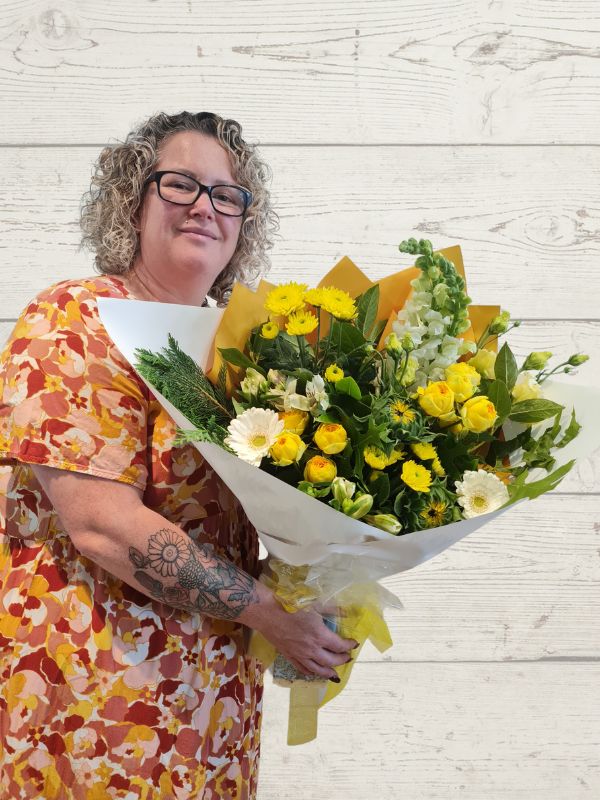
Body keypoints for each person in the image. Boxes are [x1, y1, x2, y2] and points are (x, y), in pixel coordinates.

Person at [0, 111, 357, 800]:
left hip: (211, 710)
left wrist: (327, 585)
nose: (205, 207)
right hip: (90, 699)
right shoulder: (77, 320)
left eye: (227, 195)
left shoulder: (238, 358)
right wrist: (272, 616)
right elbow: (100, 523)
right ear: (132, 200)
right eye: (180, 185)